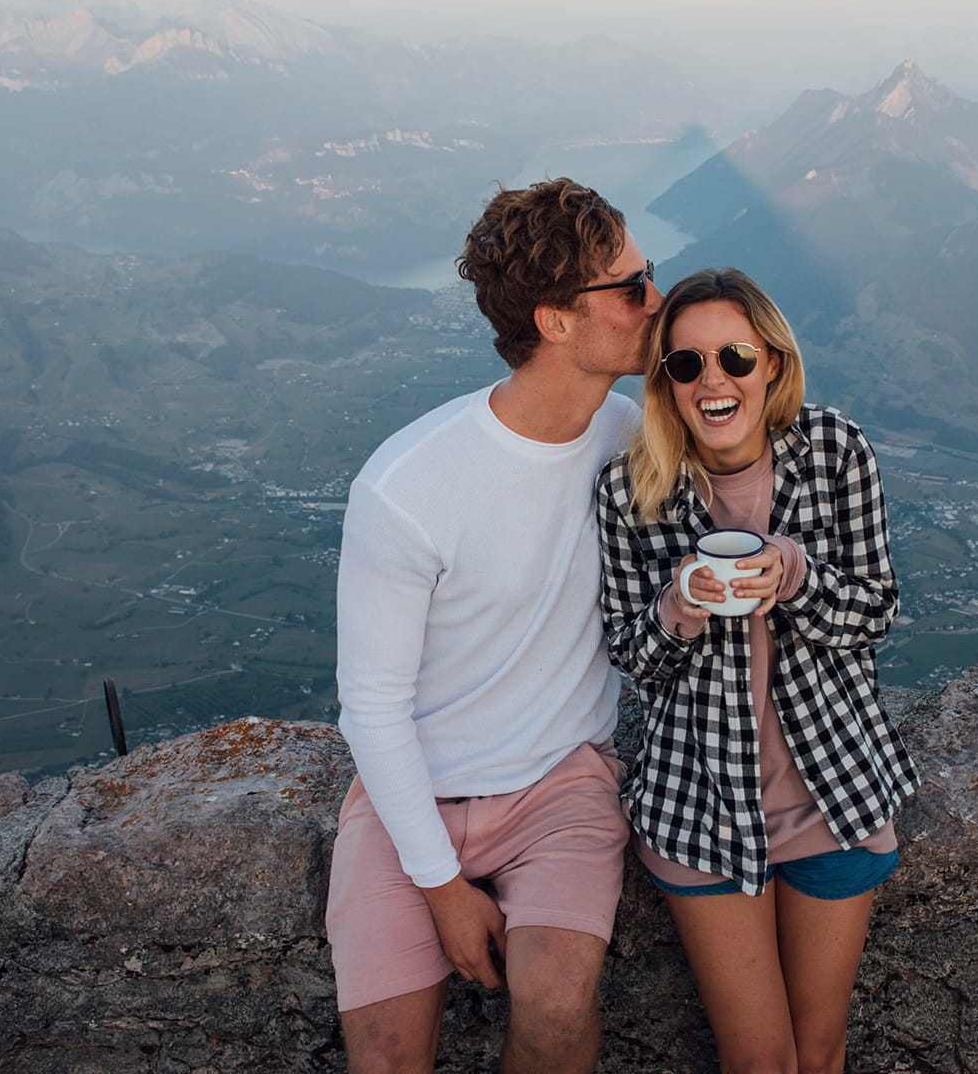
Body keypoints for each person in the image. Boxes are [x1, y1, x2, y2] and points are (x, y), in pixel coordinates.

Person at [327, 177, 658, 1074]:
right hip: (410, 801)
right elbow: (372, 706)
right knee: (386, 1062)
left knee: (552, 1016)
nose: (656, 302)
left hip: (562, 791)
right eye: (632, 286)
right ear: (557, 320)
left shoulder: (630, 439)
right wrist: (440, 887)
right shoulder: (408, 487)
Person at [596, 267, 918, 1074]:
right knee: (760, 1062)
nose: (714, 380)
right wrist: (680, 605)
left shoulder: (836, 451)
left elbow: (876, 609)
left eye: (735, 357)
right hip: (699, 809)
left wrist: (795, 576)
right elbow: (633, 657)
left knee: (819, 1051)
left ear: (771, 362)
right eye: (686, 363)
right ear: (665, 382)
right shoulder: (632, 490)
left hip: (832, 794)